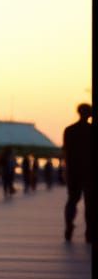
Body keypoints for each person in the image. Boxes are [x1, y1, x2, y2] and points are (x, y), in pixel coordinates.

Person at [62, 103, 93, 243]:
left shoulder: (69, 130)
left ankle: (69, 225)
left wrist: (66, 171)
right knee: (90, 203)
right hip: (90, 172)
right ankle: (89, 232)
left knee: (72, 200)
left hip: (74, 171)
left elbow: (66, 152)